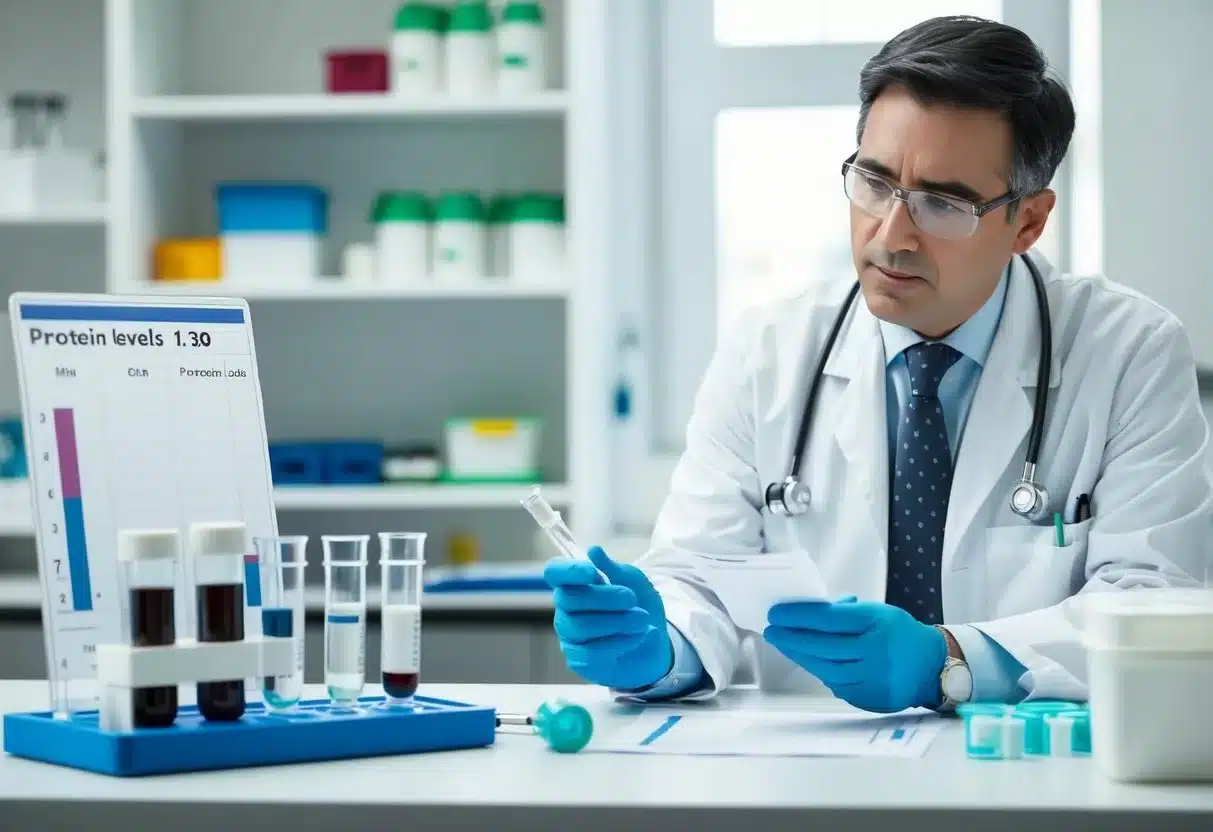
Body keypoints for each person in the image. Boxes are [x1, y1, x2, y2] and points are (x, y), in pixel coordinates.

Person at [544, 15, 1213, 713]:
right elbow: (698, 580)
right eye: (873, 181)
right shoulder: (766, 352)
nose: (891, 236)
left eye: (943, 203)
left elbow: (1148, 610)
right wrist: (659, 648)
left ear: (1027, 222)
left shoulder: (1126, 352)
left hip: (1026, 777)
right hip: (810, 786)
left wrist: (949, 661)